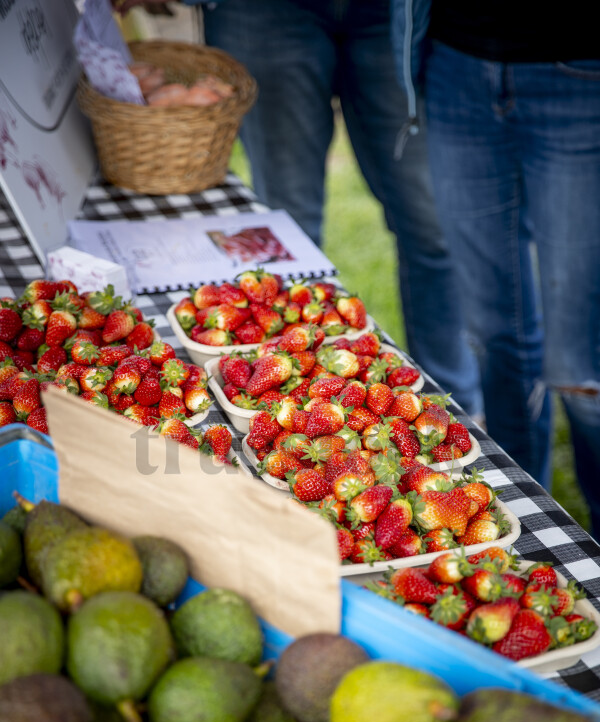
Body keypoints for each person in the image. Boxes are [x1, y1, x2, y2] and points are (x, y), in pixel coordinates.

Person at [112, 0, 484, 419]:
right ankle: (297, 403)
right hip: (267, 10)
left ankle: (454, 407)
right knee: (286, 235)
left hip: (394, 11)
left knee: (431, 226)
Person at [391, 0, 600, 539]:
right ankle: (524, 525)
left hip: (580, 72)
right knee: (495, 337)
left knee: (582, 365)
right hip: (456, 63)